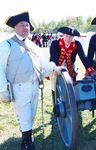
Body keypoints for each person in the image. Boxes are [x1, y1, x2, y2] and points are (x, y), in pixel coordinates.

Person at [0, 11, 64, 150]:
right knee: (25, 116)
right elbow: (0, 68)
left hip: (35, 84)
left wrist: (55, 68)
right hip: (19, 87)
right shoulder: (7, 45)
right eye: (22, 25)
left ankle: (26, 138)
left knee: (31, 115)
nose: (25, 28)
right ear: (15, 27)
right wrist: (3, 89)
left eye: (27, 25)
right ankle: (28, 144)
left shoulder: (33, 45)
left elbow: (44, 63)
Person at [49, 26, 95, 104]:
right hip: (56, 67)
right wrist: (56, 68)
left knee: (70, 86)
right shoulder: (55, 43)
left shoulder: (77, 44)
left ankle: (70, 103)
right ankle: (56, 105)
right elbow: (53, 57)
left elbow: (83, 57)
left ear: (73, 37)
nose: (68, 38)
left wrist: (90, 70)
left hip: (69, 68)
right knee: (55, 87)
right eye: (66, 36)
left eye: (70, 36)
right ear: (63, 35)